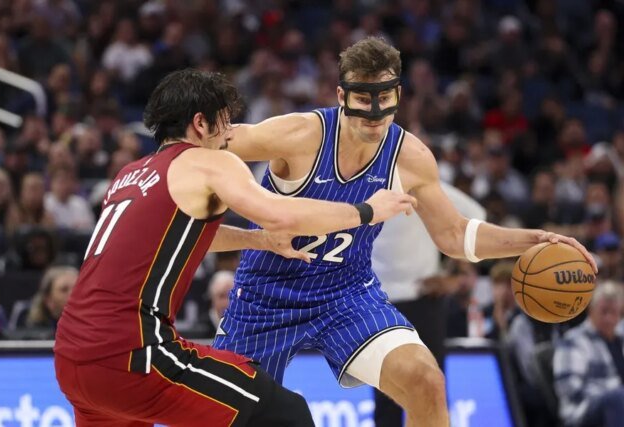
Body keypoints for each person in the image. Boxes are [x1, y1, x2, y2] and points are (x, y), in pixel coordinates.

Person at [213, 37, 597, 427]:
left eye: (384, 98)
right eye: (363, 98)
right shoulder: (300, 134)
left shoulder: (410, 156)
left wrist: (533, 240)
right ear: (342, 96)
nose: (374, 112)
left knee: (426, 380)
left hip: (345, 293)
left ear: (398, 94)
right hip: (266, 297)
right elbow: (212, 144)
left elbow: (454, 235)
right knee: (227, 416)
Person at [53, 69, 414, 427]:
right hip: (132, 355)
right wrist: (367, 211)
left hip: (71, 357)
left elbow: (183, 237)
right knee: (286, 414)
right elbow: (280, 214)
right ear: (200, 123)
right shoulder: (208, 162)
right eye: (225, 123)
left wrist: (256, 240)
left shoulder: (129, 175)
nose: (230, 135)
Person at [371, 181, 486, 426]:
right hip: (378, 302)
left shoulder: (421, 186)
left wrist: (454, 272)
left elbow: (476, 215)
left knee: (432, 390)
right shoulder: (359, 184)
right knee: (387, 397)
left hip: (423, 299)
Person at [553, 281, 624, 427]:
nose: (609, 318)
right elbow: (568, 387)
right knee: (615, 398)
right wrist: (612, 393)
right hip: (582, 411)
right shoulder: (573, 340)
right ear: (591, 310)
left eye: (614, 312)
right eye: (604, 311)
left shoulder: (621, 338)